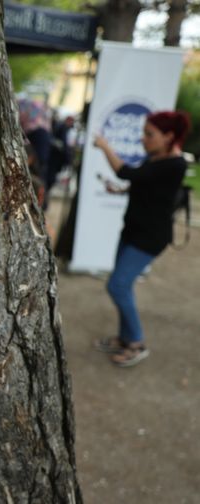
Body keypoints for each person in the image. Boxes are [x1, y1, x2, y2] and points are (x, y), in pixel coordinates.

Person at [92, 110, 191, 367]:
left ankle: (136, 342)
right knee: (123, 286)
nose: (143, 139)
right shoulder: (156, 158)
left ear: (169, 136)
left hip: (150, 237)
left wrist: (104, 147)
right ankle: (125, 337)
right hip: (132, 231)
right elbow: (142, 185)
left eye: (149, 134)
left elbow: (128, 173)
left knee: (118, 285)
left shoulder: (175, 165)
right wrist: (120, 191)